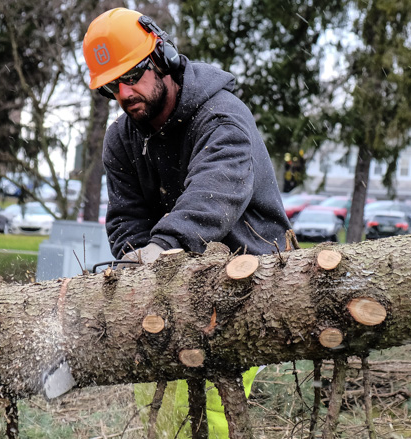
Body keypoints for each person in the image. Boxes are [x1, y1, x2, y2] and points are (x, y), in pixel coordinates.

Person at [82, 7, 292, 438]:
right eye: (110, 87)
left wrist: (162, 248)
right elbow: (125, 217)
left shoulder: (222, 118)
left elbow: (212, 197)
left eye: (132, 76)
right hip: (169, 280)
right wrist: (136, 266)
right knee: (157, 408)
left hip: (244, 275)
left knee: (212, 415)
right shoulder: (122, 139)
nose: (124, 94)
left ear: (164, 59)